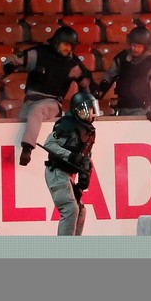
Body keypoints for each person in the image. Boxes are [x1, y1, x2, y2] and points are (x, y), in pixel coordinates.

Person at [1, 26, 91, 167]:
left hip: (52, 102)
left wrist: (90, 101)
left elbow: (87, 85)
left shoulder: (73, 64)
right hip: (30, 100)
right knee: (19, 124)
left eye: (71, 46)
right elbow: (16, 60)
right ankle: (13, 165)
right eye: (66, 44)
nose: (69, 48)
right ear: (56, 42)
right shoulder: (39, 53)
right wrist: (9, 65)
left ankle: (27, 149)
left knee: (37, 110)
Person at [42, 91, 100, 236]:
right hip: (56, 171)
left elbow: (86, 154)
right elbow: (49, 144)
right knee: (69, 208)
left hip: (68, 174)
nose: (92, 113)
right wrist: (69, 155)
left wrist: (84, 176)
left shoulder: (89, 131)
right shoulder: (66, 125)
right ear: (79, 110)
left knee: (80, 209)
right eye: (89, 109)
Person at [92, 25, 151, 120]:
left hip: (143, 109)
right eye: (133, 45)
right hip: (122, 107)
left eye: (139, 47)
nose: (135, 49)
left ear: (146, 47)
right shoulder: (122, 57)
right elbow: (109, 76)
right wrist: (97, 93)